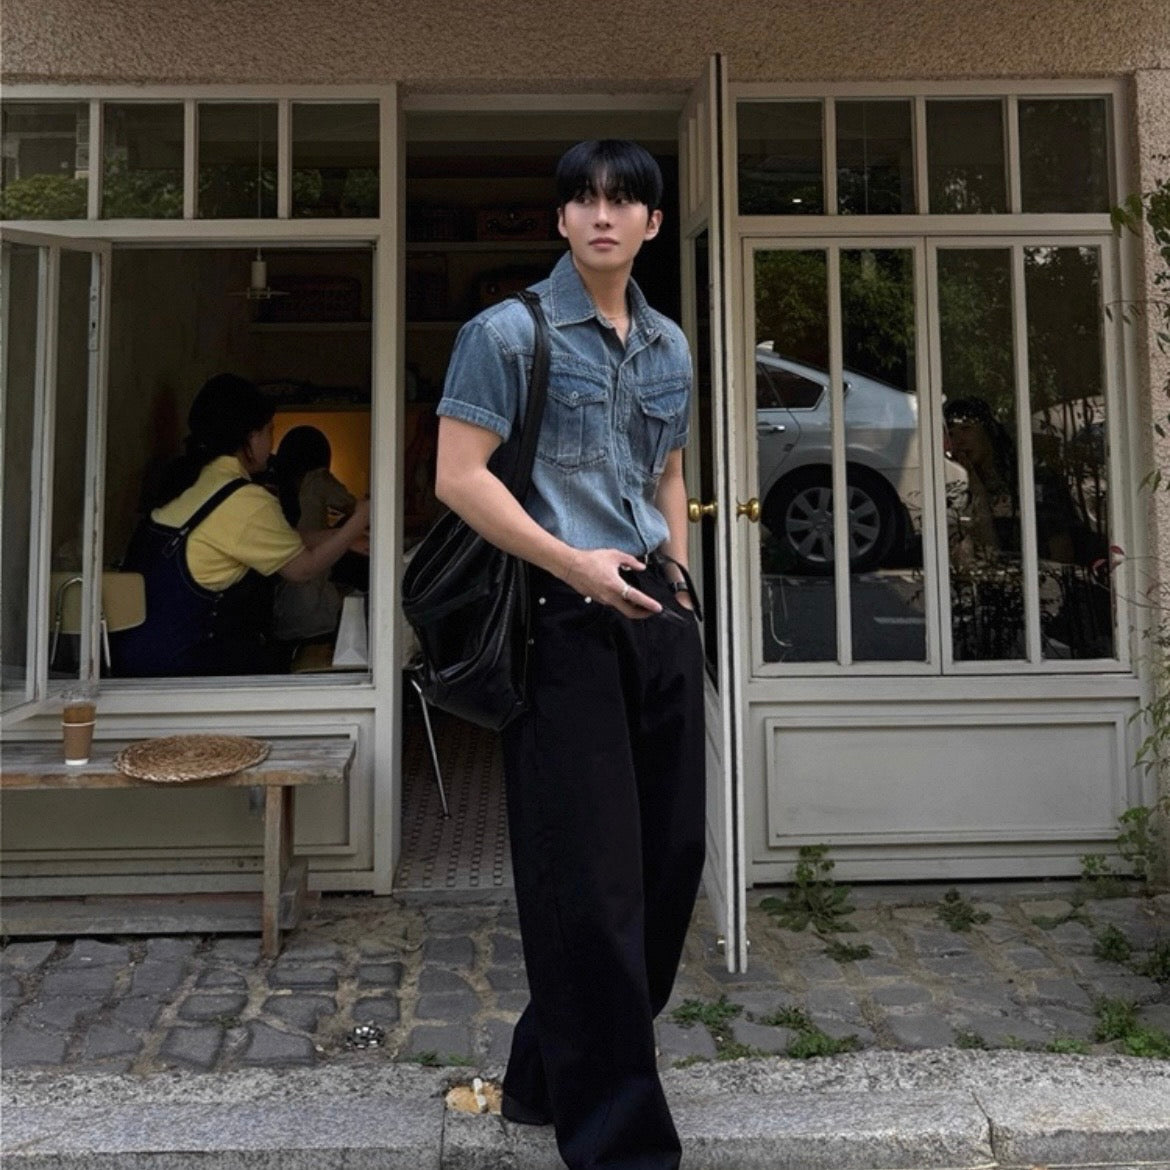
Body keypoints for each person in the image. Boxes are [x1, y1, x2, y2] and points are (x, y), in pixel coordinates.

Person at [433, 140, 704, 1170]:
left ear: (651, 224)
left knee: (669, 864)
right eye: (583, 200)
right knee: (590, 885)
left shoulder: (669, 345)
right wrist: (572, 565)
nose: (602, 215)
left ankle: (545, 1075)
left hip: (654, 618)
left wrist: (679, 580)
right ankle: (621, 1143)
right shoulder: (507, 334)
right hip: (559, 619)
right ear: (559, 220)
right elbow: (460, 475)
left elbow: (667, 470)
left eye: (623, 200)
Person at [113, 374, 369, 677]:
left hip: (137, 658)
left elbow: (276, 538)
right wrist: (359, 520)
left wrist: (339, 536)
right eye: (270, 430)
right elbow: (303, 569)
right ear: (250, 437)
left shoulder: (203, 481)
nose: (272, 442)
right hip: (183, 666)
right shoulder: (245, 499)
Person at [271, 425, 364, 643]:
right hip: (314, 585)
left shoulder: (277, 485)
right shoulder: (319, 479)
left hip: (285, 594)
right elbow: (350, 505)